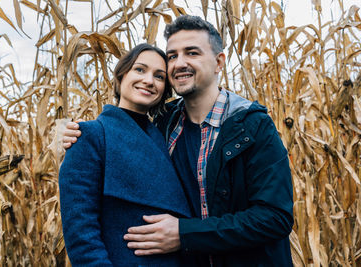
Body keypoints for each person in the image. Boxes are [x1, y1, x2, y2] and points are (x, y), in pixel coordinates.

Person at [62, 15, 294, 266]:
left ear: (219, 62)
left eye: (192, 53)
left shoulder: (252, 126)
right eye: (172, 56)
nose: (179, 63)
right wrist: (72, 135)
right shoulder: (164, 126)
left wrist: (184, 234)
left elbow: (275, 217)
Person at [58, 43, 196, 267]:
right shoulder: (90, 135)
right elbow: (81, 231)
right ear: (121, 76)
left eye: (159, 77)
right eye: (140, 70)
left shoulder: (168, 137)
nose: (149, 81)